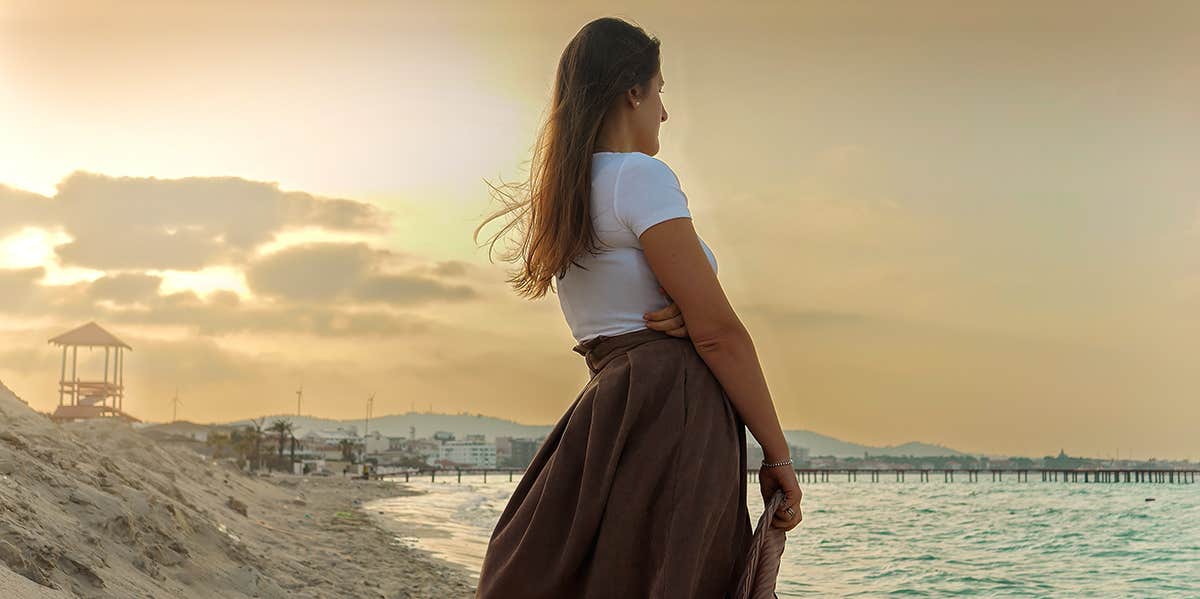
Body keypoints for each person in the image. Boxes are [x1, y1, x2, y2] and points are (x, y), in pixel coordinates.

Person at [472, 16, 803, 598]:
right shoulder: (638, 176)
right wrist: (778, 455)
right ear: (633, 92)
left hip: (613, 405)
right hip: (672, 404)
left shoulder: (563, 196)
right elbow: (720, 334)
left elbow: (631, 311)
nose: (665, 113)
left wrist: (676, 309)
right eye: (660, 93)